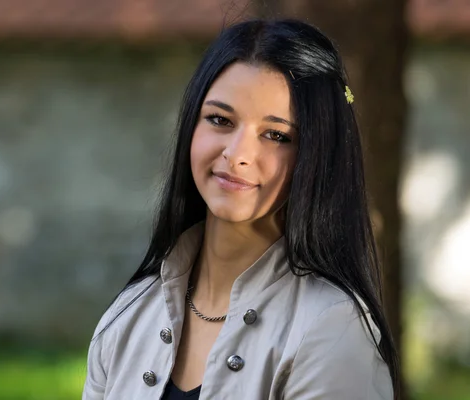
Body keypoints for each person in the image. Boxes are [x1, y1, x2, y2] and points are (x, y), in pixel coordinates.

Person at [82, 18, 399, 400]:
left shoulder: (333, 330)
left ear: (316, 155)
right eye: (220, 120)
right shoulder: (130, 314)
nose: (236, 155)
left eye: (276, 135)